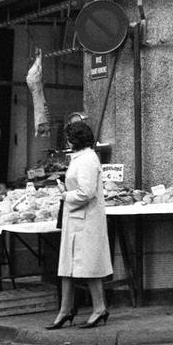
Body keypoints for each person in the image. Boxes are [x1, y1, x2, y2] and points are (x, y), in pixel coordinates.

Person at [47, 120, 112, 330]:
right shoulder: (81, 157)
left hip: (86, 220)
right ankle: (66, 310)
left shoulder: (87, 160)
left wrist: (65, 194)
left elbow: (86, 192)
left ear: (75, 139)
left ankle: (98, 308)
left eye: (69, 137)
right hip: (76, 219)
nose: (66, 140)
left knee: (89, 267)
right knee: (68, 267)